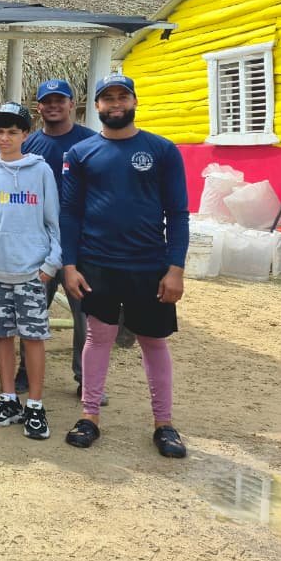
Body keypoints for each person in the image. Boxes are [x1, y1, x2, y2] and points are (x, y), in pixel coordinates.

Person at [60, 75, 190, 458]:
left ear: (134, 101)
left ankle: (164, 424)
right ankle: (89, 416)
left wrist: (176, 268)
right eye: (107, 98)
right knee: (97, 337)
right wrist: (69, 264)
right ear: (96, 106)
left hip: (149, 265)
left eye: (122, 96)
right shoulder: (80, 153)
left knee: (153, 341)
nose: (115, 103)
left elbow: (178, 213)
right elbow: (70, 213)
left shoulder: (162, 150)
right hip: (96, 263)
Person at [0, 103, 60, 440]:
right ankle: (8, 399)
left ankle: (35, 404)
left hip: (32, 272)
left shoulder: (41, 171)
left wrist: (50, 264)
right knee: (2, 336)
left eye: (12, 131)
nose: (4, 138)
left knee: (33, 338)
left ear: (25, 134)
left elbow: (54, 221)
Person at [23, 78, 98, 396]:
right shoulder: (29, 144)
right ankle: (25, 372)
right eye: (47, 101)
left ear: (71, 104)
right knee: (32, 308)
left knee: (85, 314)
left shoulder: (91, 141)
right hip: (39, 241)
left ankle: (86, 379)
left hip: (81, 240)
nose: (53, 106)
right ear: (38, 107)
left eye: (60, 100)